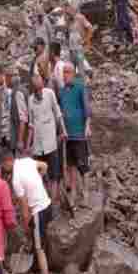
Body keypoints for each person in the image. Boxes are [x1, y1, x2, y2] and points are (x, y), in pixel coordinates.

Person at [4, 152, 57, 274]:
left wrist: (26, 228)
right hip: (47, 205)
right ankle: (41, 270)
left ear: (8, 162)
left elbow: (25, 211)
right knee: (42, 243)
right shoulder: (26, 161)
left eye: (4, 166)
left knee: (39, 249)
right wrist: (38, 182)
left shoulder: (15, 180)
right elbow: (44, 166)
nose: (4, 169)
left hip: (38, 210)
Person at [26, 73, 66, 203]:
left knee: (54, 175)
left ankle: (53, 201)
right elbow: (31, 124)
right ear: (33, 89)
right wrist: (28, 145)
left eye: (40, 89)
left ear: (42, 86)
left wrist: (63, 131)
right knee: (41, 175)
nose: (39, 93)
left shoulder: (50, 94)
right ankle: (46, 201)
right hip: (38, 145)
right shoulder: (30, 100)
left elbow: (58, 113)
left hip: (50, 143)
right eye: (36, 90)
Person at [58, 62, 91, 205]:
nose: (64, 75)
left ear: (73, 73)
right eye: (63, 72)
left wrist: (87, 126)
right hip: (68, 135)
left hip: (79, 133)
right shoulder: (63, 91)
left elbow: (87, 108)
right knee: (70, 165)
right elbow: (61, 111)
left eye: (67, 72)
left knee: (82, 165)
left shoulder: (80, 87)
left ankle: (86, 193)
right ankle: (73, 195)